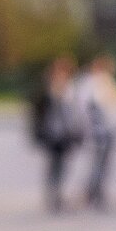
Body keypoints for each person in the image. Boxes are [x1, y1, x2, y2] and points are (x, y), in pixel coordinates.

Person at [29, 55, 83, 213]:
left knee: (63, 166)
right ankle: (53, 195)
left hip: (66, 133)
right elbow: (37, 112)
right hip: (52, 133)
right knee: (53, 165)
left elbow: (74, 113)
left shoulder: (70, 89)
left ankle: (59, 193)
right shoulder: (47, 90)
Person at [74, 52, 116, 210]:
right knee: (96, 164)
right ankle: (91, 193)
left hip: (109, 130)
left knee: (103, 165)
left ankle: (97, 192)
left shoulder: (107, 81)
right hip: (98, 132)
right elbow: (88, 110)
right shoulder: (89, 83)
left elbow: (113, 107)